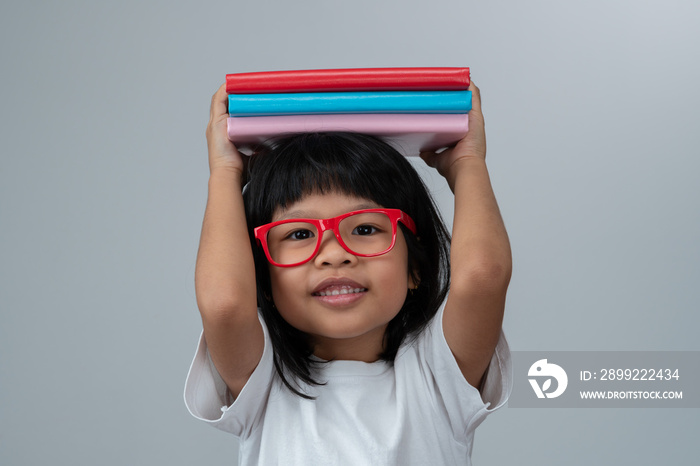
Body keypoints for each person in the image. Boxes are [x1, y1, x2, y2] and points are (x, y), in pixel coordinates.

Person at [185, 82, 513, 465]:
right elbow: (225, 303)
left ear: (416, 268)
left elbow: (483, 276)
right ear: (263, 279)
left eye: (365, 228)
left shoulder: (437, 376)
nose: (335, 254)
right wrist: (224, 172)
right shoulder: (263, 384)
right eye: (300, 233)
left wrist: (466, 164)